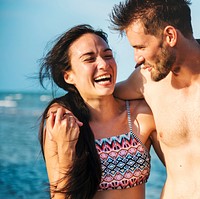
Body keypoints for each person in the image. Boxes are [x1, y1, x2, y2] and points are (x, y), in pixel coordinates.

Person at [38, 24, 164, 199]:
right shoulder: (61, 126)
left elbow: (181, 171)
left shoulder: (143, 115)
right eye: (89, 59)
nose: (104, 64)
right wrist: (67, 149)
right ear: (68, 76)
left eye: (108, 55)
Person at [109, 0, 200, 198]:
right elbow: (102, 96)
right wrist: (63, 106)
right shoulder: (147, 81)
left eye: (140, 47)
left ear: (170, 36)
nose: (137, 58)